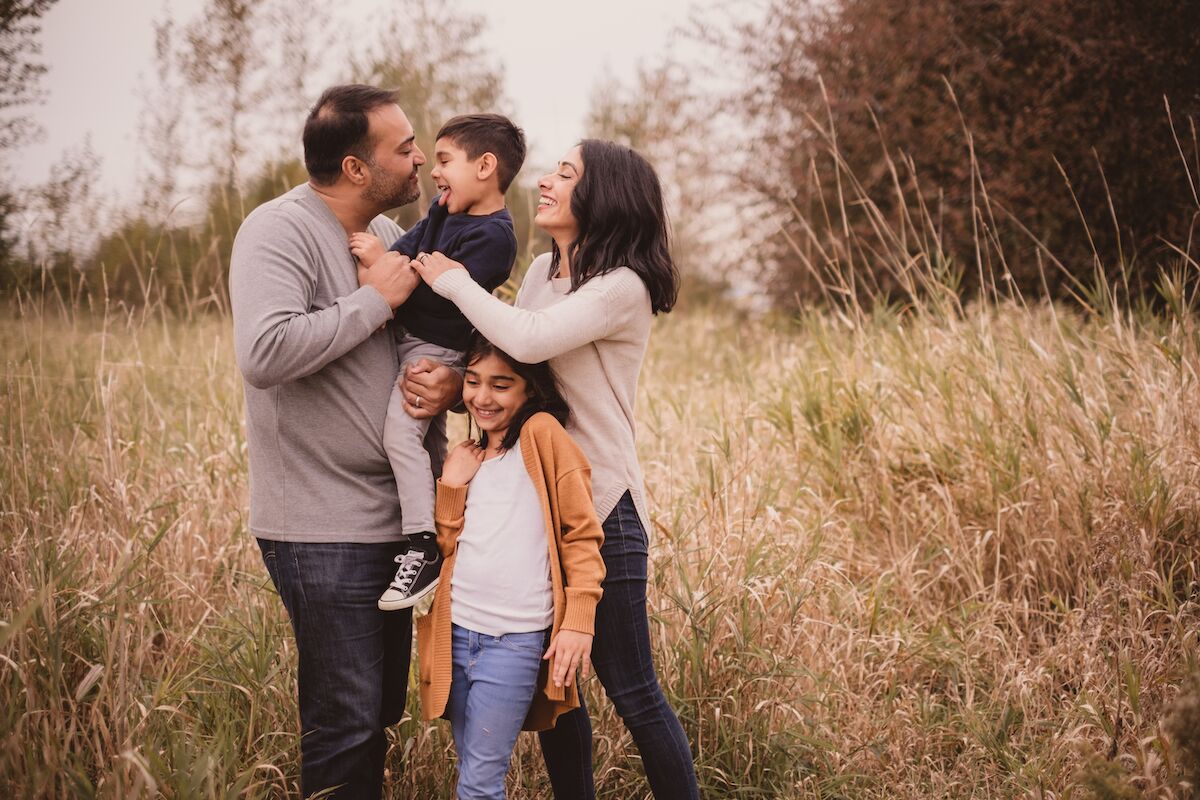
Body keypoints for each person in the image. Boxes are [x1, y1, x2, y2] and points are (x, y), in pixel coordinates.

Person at [411, 139, 700, 799]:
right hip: (537, 501)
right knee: (557, 686)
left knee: (632, 688)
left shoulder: (621, 286)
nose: (544, 181)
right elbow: (523, 372)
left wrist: (451, 278)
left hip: (601, 504)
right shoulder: (544, 272)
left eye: (565, 174)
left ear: (602, 197)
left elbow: (530, 339)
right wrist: (460, 383)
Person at [228, 83, 462, 799]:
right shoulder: (278, 230)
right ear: (357, 168)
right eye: (405, 147)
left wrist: (447, 389)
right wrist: (375, 300)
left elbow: (407, 353)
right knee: (346, 720)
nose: (421, 158)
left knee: (376, 713)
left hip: (394, 522)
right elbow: (265, 352)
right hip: (321, 526)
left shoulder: (391, 239)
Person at [415, 331, 605, 800]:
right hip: (455, 633)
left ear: (529, 389)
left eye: (501, 385)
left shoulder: (542, 438)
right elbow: (446, 546)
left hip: (513, 641)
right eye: (473, 381)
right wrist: (452, 487)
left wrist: (579, 620)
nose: (482, 396)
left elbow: (581, 535)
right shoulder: (471, 456)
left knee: (479, 783)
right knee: (472, 770)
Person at [348, 113, 526, 613]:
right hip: (408, 338)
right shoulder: (443, 210)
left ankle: (422, 546)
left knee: (400, 436)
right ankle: (447, 534)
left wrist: (391, 272)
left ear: (486, 165)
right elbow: (405, 258)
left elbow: (447, 297)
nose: (435, 172)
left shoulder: (495, 237)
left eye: (445, 160)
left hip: (434, 350)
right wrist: (388, 264)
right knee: (424, 444)